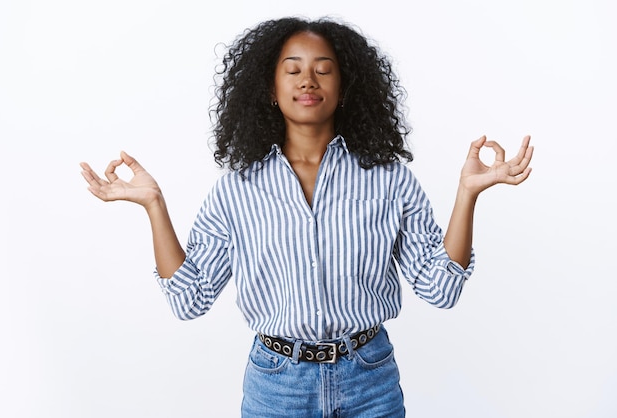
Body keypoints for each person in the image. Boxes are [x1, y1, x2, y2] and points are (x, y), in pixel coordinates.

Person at [80, 16, 533, 418]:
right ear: (270, 89)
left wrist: (467, 194)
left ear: (345, 85)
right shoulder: (240, 187)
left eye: (323, 69)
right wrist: (155, 206)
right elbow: (189, 299)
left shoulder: (388, 179)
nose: (308, 80)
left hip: (369, 380)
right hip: (276, 387)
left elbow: (441, 289)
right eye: (292, 69)